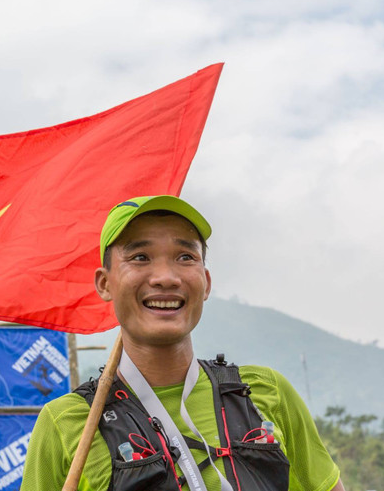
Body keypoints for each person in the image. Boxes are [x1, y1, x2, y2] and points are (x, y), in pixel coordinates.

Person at [20, 195, 345, 491]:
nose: (166, 277)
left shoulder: (264, 394)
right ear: (105, 284)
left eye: (185, 256)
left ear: (205, 282)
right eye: (141, 256)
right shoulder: (67, 423)